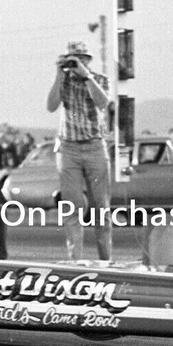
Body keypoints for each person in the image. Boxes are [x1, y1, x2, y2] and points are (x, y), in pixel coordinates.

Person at [46, 40, 113, 261]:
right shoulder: (63, 81)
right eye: (72, 60)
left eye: (80, 60)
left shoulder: (99, 79)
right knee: (72, 207)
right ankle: (76, 260)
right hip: (68, 147)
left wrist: (86, 76)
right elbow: (51, 106)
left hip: (94, 146)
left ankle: (106, 259)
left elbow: (104, 103)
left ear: (87, 60)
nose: (75, 64)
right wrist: (59, 75)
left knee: (101, 207)